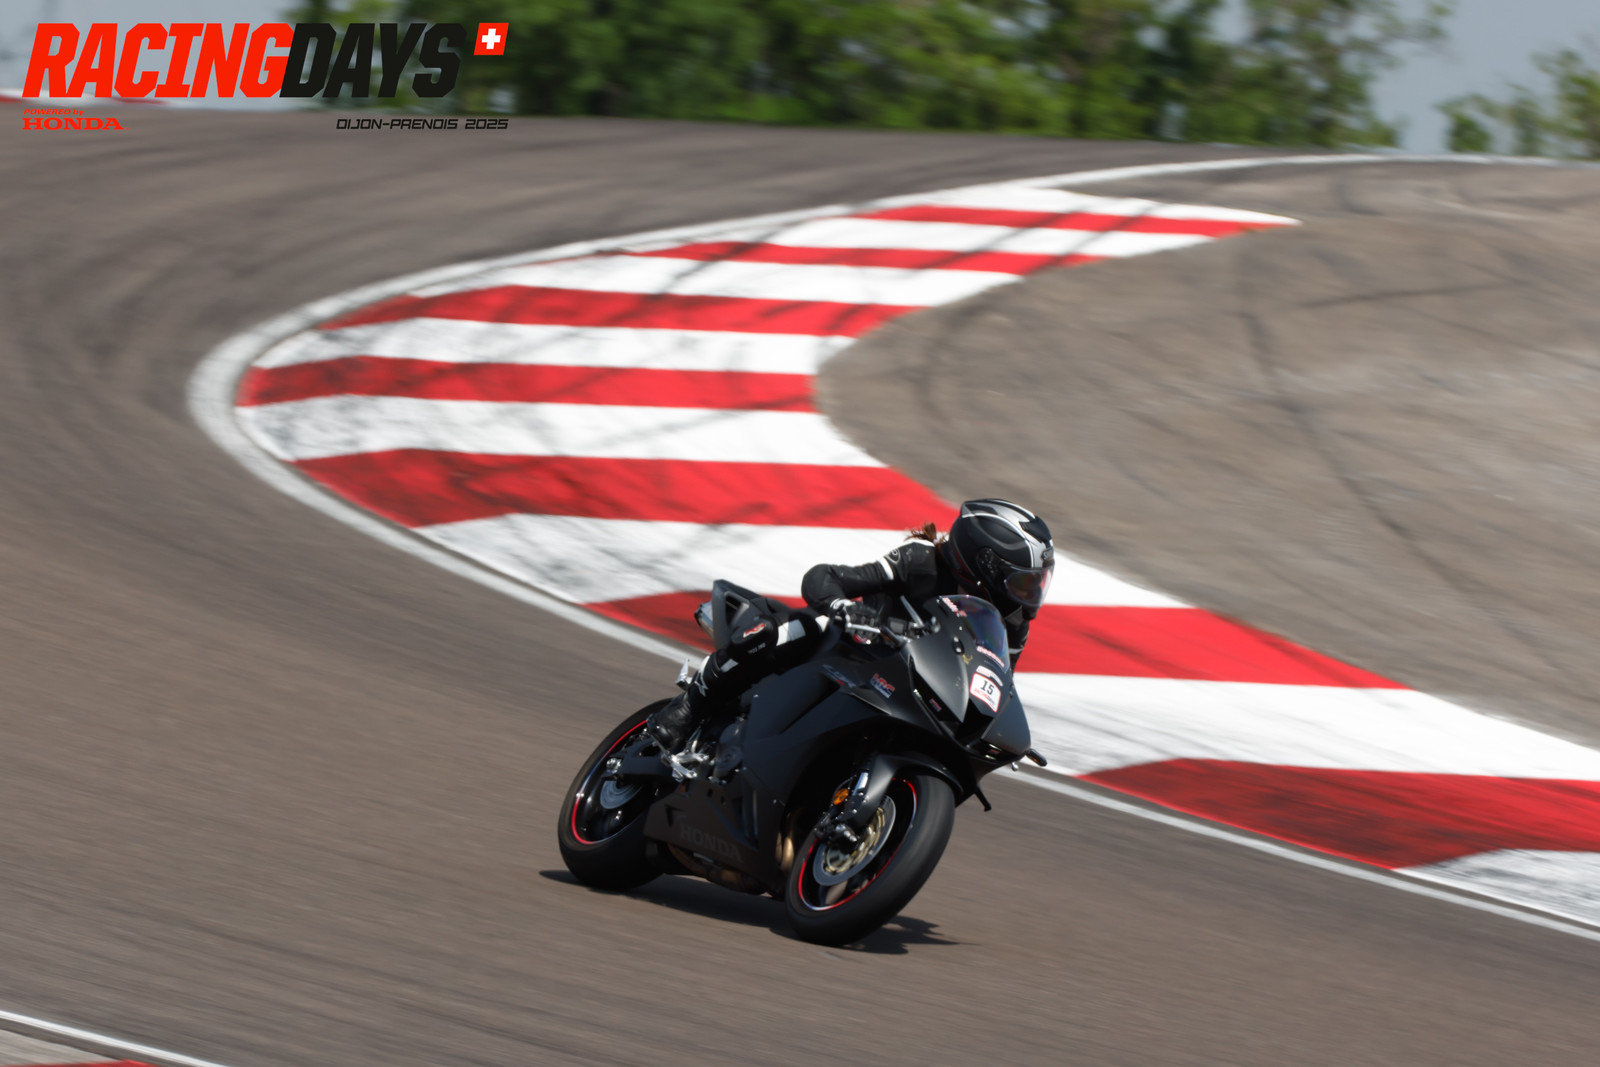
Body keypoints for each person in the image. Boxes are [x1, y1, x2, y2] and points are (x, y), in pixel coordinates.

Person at [647, 499, 1055, 752]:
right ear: (983, 563)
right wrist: (846, 608)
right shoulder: (921, 560)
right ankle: (689, 707)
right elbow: (824, 578)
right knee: (806, 627)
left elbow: (1000, 683)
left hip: (912, 689)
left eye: (1036, 584)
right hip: (853, 652)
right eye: (1022, 582)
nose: (1028, 595)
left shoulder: (1011, 624)